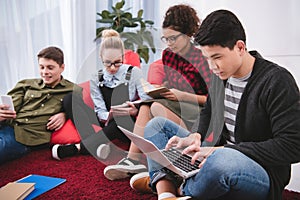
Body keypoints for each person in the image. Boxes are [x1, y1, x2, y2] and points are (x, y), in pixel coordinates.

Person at [129, 9, 300, 200]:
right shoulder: (220, 76)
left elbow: (293, 145)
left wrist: (222, 151)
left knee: (219, 162)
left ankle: (170, 185)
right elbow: (208, 111)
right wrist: (196, 135)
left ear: (240, 47)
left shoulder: (277, 81)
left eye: (217, 57)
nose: (212, 67)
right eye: (207, 58)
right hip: (216, 156)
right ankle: (167, 192)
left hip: (259, 171)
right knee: (156, 126)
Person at [103, 4, 211, 181]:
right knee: (146, 105)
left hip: (197, 110)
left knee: (155, 107)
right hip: (174, 104)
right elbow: (172, 81)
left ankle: (171, 160)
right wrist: (157, 90)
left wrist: (182, 95)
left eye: (173, 38)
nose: (169, 43)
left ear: (188, 34)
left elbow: (211, 101)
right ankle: (133, 160)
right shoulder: (169, 55)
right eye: (166, 39)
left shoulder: (202, 58)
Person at [51, 29, 152, 161]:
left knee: (120, 119)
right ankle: (97, 145)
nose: (112, 68)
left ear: (123, 57)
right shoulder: (96, 77)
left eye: (117, 62)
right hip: (105, 118)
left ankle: (79, 147)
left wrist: (134, 109)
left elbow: (146, 98)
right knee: (69, 98)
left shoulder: (134, 72)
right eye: (107, 63)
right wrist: (107, 116)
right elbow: (99, 109)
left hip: (126, 121)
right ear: (101, 59)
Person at [0, 46, 79, 164]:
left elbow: (78, 112)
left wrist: (65, 114)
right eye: (41, 67)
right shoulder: (26, 84)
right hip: (6, 125)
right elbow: (10, 107)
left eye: (50, 68)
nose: (44, 72)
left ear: (62, 67)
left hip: (24, 137)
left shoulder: (72, 90)